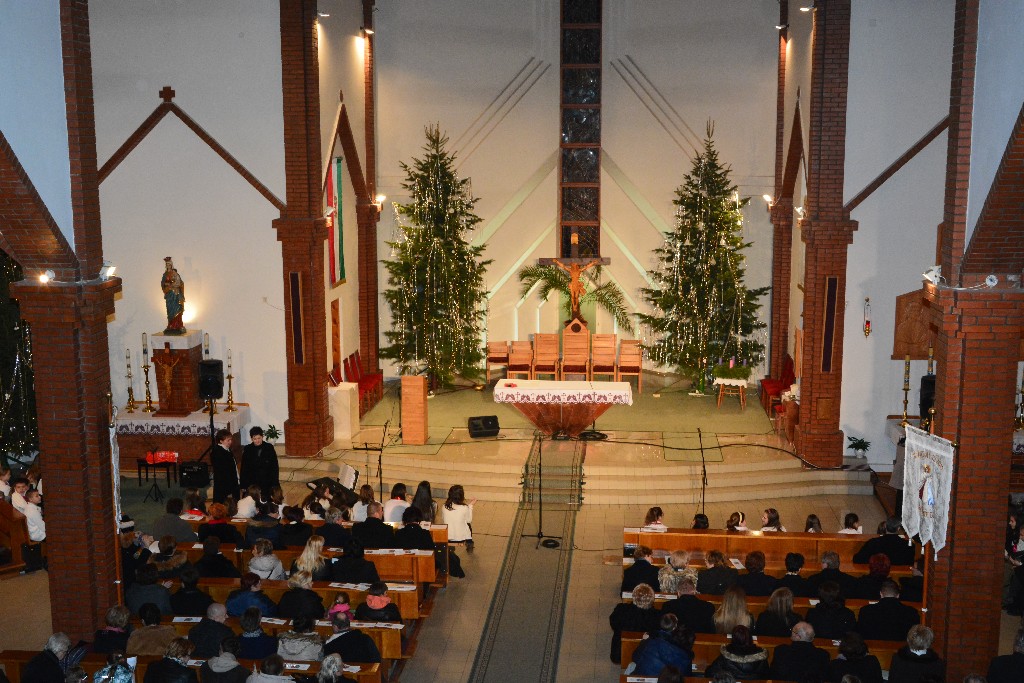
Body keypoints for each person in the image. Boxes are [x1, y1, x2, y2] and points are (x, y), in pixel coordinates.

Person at [628, 613, 695, 677]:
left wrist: (643, 641)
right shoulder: (683, 653)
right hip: (665, 679)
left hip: (646, 676)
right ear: (675, 627)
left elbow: (635, 658)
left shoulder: (651, 640)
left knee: (631, 666)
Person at [609, 583, 660, 664]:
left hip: (620, 653)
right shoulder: (657, 617)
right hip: (647, 655)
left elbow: (613, 624)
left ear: (633, 597)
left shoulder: (621, 610)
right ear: (652, 599)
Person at [704, 624, 769, 680]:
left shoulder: (725, 656)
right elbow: (767, 675)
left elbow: (709, 673)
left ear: (733, 639)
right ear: (750, 638)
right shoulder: (761, 656)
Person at [240, 426, 280, 498]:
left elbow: (274, 466)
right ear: (251, 439)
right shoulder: (248, 449)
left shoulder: (269, 447)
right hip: (253, 482)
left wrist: (275, 483)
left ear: (262, 437)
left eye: (259, 438)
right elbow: (244, 468)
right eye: (255, 439)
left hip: (266, 481)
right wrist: (243, 485)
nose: (257, 441)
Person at [441, 484, 475, 550]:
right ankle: (469, 543)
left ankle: (451, 549)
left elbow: (443, 518)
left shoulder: (444, 506)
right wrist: (470, 506)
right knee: (467, 524)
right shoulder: (464, 507)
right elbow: (469, 520)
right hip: (460, 538)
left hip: (448, 537)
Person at [211, 428, 239, 504]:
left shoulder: (226, 449)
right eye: (228, 440)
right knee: (222, 502)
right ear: (221, 441)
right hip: (224, 482)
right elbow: (222, 470)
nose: (230, 442)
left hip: (229, 480)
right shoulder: (217, 452)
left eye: (231, 440)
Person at [161, 256, 186, 333]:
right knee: (170, 310)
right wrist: (166, 285)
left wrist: (173, 285)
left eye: (169, 264)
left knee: (177, 309)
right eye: (167, 264)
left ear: (171, 265)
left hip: (175, 294)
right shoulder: (165, 275)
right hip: (169, 295)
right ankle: (171, 325)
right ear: (166, 266)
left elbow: (180, 283)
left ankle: (177, 325)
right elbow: (162, 284)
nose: (168, 266)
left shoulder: (175, 273)